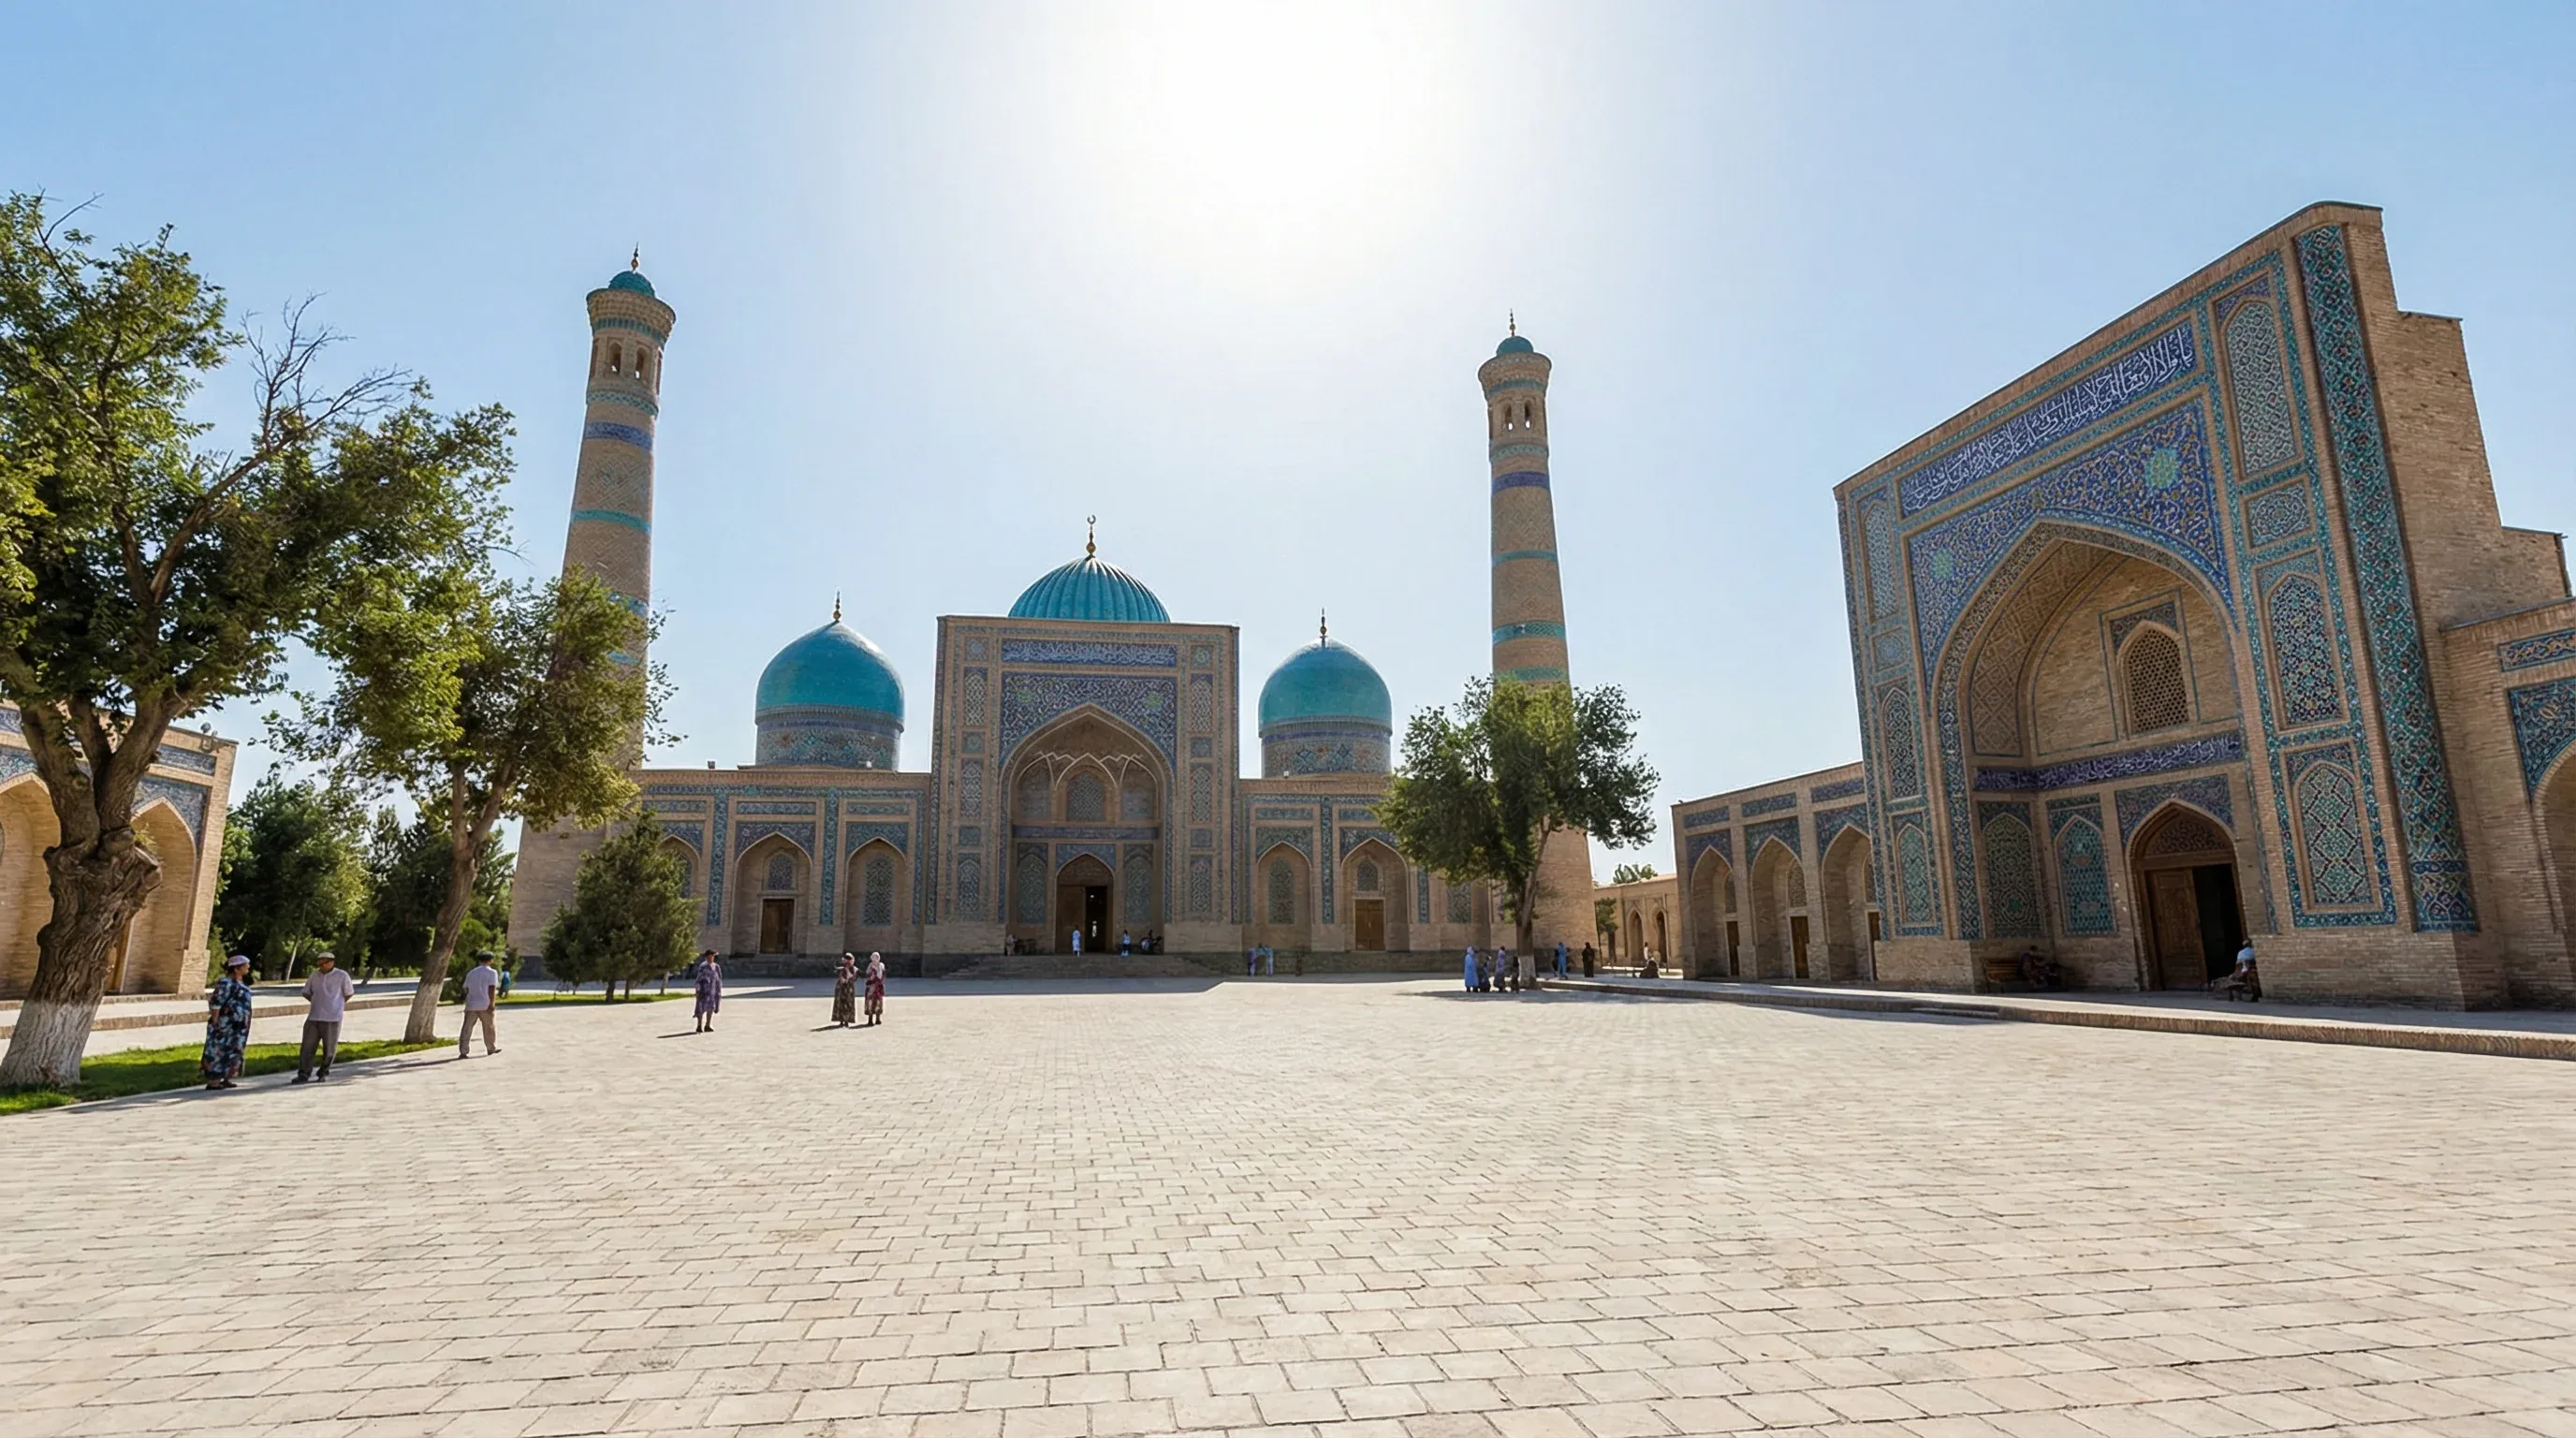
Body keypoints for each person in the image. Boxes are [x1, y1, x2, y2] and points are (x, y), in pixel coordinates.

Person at [293, 950, 356, 1083]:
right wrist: (316, 1001)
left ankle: (323, 1072)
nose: (320, 966)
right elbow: (306, 992)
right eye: (319, 963)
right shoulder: (314, 975)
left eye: (324, 963)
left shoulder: (342, 975)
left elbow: (349, 993)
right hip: (314, 1016)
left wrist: (336, 1004)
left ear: (331, 962)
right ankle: (303, 1073)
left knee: (329, 1048)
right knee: (307, 1047)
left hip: (332, 1017)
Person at [201, 955, 256, 1090]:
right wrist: (216, 1021)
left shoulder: (242, 983)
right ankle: (214, 1080)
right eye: (245, 965)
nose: (248, 967)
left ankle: (227, 1077)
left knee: (234, 1050)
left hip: (239, 1027)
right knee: (219, 1050)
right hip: (225, 1025)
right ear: (236, 969)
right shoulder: (225, 983)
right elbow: (216, 1003)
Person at [459, 950, 503, 1057]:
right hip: (485, 1003)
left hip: (472, 1004)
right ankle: (491, 1048)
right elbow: (492, 988)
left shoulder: (472, 972)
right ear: (491, 960)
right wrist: (492, 1003)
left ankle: (463, 1051)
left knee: (467, 1028)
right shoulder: (492, 972)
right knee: (489, 1027)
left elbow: (466, 988)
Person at [692, 950, 724, 1033]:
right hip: (704, 991)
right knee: (701, 1008)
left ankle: (708, 1025)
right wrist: (698, 990)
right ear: (706, 957)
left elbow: (719, 979)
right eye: (709, 957)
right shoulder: (703, 966)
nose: (711, 958)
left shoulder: (716, 967)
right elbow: (698, 979)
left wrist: (719, 989)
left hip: (713, 991)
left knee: (711, 1008)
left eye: (712, 956)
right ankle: (699, 1026)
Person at [832, 952, 858, 1028]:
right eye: (846, 959)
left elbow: (854, 978)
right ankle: (841, 1020)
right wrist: (842, 979)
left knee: (848, 1004)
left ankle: (847, 1021)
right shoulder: (842, 968)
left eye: (848, 960)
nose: (847, 961)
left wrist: (848, 979)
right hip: (841, 988)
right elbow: (837, 973)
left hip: (849, 988)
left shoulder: (854, 969)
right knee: (841, 1004)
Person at [864, 950, 886, 1026]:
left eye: (875, 958)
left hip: (878, 987)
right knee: (870, 1002)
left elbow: (881, 976)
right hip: (870, 987)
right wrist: (870, 978)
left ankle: (878, 1019)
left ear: (878, 958)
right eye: (872, 958)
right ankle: (870, 1020)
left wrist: (876, 979)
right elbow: (867, 975)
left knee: (878, 1002)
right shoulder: (870, 965)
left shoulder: (881, 966)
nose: (873, 960)